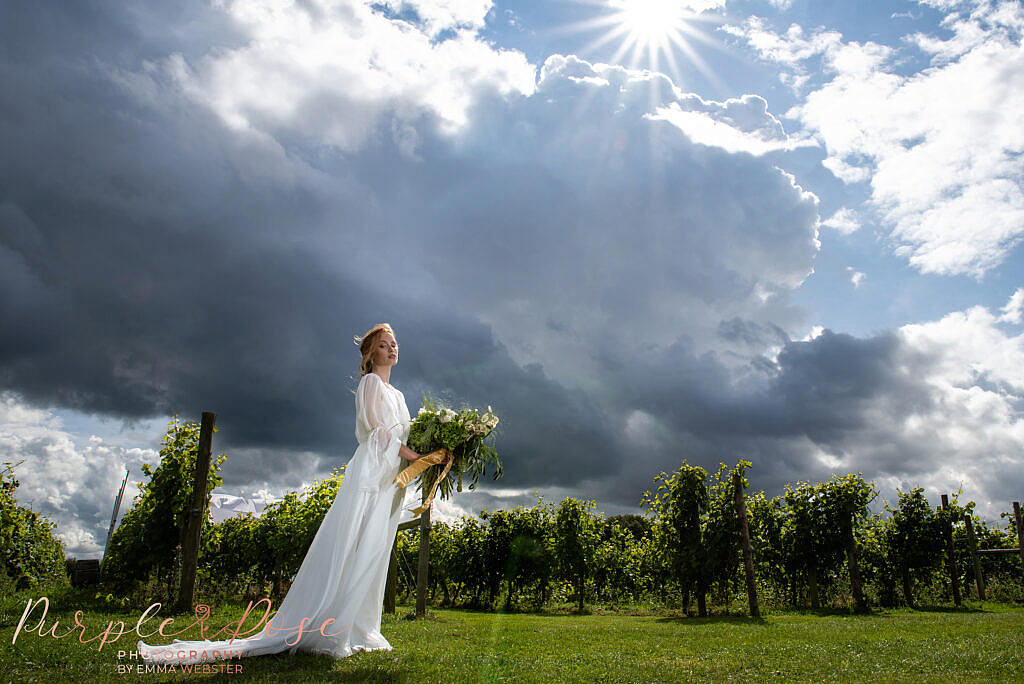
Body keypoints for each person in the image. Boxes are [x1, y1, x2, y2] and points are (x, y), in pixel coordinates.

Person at [137, 322, 446, 665]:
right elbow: (379, 433)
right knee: (354, 541)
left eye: (394, 344)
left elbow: (405, 436)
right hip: (372, 471)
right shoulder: (370, 383)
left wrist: (438, 451)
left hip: (392, 478)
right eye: (385, 345)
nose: (392, 349)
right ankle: (331, 624)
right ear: (371, 354)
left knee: (375, 547)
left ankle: (361, 625)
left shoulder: (400, 396)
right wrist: (418, 460)